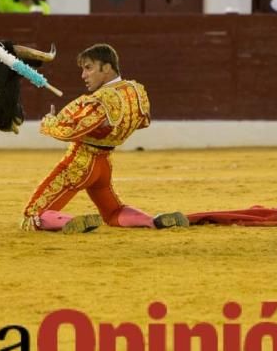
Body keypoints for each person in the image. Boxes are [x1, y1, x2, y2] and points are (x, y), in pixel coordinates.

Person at [21, 43, 188, 233]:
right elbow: (143, 122)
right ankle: (153, 221)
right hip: (104, 166)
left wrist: (49, 123)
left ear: (107, 67)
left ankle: (69, 221)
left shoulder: (102, 99)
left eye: (88, 68)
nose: (83, 75)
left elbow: (71, 131)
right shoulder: (135, 92)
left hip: (79, 164)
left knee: (32, 215)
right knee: (113, 211)